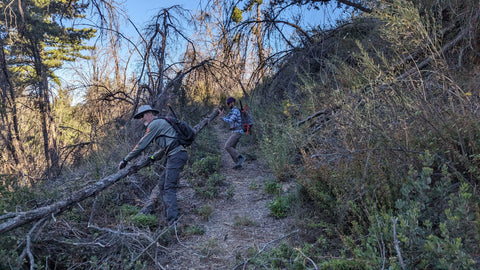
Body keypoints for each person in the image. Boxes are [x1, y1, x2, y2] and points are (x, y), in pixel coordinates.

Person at [118, 105, 188, 225]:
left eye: (142, 115)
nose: (141, 119)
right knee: (162, 185)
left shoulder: (154, 125)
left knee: (168, 187)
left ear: (150, 113)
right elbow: (168, 145)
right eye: (139, 117)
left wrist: (125, 160)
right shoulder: (160, 123)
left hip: (176, 156)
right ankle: (166, 214)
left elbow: (141, 145)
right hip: (176, 155)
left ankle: (173, 222)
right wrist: (152, 158)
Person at [218, 97, 246, 169]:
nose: (228, 105)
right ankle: (238, 164)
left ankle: (240, 157)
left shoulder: (235, 111)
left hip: (237, 132)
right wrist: (222, 116)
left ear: (232, 103)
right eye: (227, 104)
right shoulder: (232, 111)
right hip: (234, 132)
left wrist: (223, 118)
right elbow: (227, 119)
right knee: (232, 147)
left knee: (227, 146)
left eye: (228, 103)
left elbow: (230, 121)